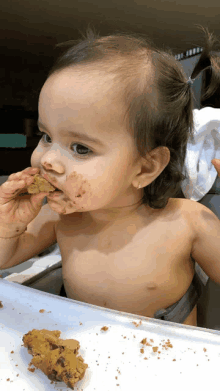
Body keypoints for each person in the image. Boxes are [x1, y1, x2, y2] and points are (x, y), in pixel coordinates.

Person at [0, 26, 220, 327]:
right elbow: (5, 257)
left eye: (80, 148)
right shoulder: (58, 218)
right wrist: (8, 227)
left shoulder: (188, 223)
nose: (48, 160)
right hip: (88, 358)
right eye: (46, 136)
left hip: (169, 364)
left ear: (145, 168)